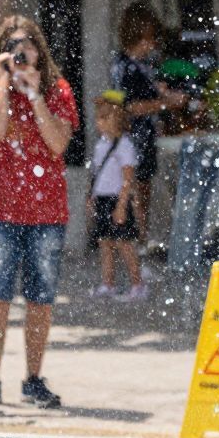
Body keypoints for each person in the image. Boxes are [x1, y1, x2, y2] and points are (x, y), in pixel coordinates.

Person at [0, 16, 77, 410]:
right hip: (1, 210)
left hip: (47, 212)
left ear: (40, 50)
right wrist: (5, 83)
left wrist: (35, 96)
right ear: (1, 51)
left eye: (28, 44)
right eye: (13, 44)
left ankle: (34, 379)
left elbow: (56, 144)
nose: (22, 51)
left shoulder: (58, 90)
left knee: (41, 300)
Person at [113, 1, 183, 252]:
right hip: (133, 139)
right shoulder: (127, 66)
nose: (152, 45)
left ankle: (139, 241)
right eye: (148, 38)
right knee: (134, 192)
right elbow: (130, 107)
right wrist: (165, 102)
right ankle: (135, 244)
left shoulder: (138, 64)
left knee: (142, 190)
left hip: (143, 137)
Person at [88, 92, 145, 299]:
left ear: (117, 119)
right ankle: (108, 283)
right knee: (104, 242)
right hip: (103, 198)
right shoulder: (101, 144)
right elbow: (97, 173)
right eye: (98, 118)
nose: (99, 122)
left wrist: (122, 205)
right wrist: (92, 196)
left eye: (104, 118)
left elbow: (128, 178)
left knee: (124, 243)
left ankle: (138, 284)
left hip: (117, 199)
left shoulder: (124, 145)